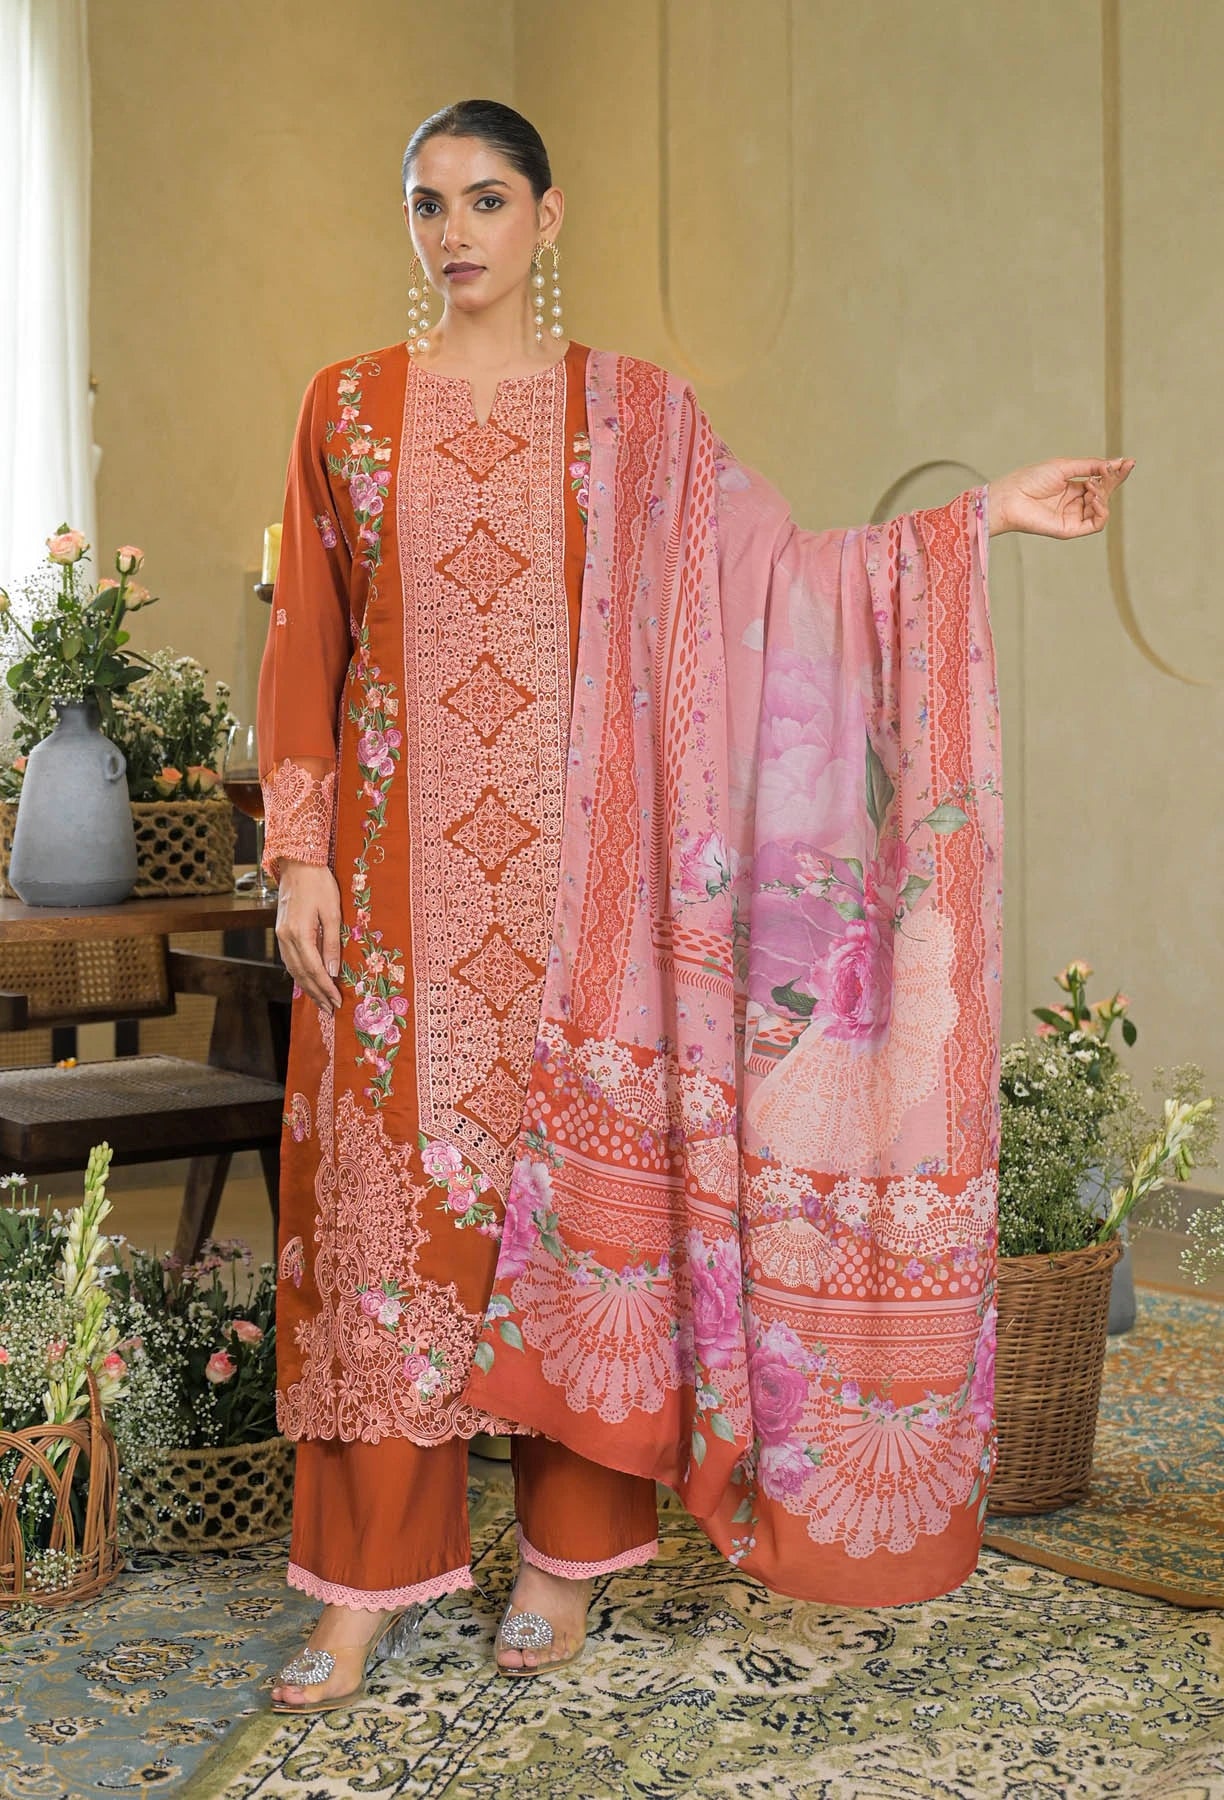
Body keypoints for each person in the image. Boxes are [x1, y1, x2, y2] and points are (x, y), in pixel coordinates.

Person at [259, 98, 1132, 1711]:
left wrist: (977, 519)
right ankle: (363, 1587)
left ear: (549, 216)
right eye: (428, 204)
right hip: (392, 914)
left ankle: (563, 1562)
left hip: (593, 922)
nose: (455, 232)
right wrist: (301, 849)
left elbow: (779, 578)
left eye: (487, 199)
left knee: (591, 1237)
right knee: (388, 1243)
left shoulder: (635, 415)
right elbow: (308, 633)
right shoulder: (348, 410)